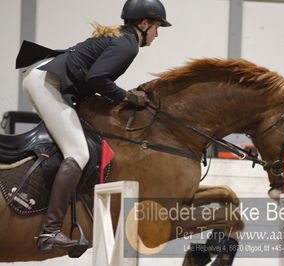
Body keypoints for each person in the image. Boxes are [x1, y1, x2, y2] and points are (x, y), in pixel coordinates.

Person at [16, 0, 171, 252]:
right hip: (47, 84)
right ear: (144, 24)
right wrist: (127, 96)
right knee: (78, 153)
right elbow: (97, 78)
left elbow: (92, 80)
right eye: (157, 27)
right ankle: (49, 232)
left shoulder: (122, 38)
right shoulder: (128, 45)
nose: (157, 34)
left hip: (44, 79)